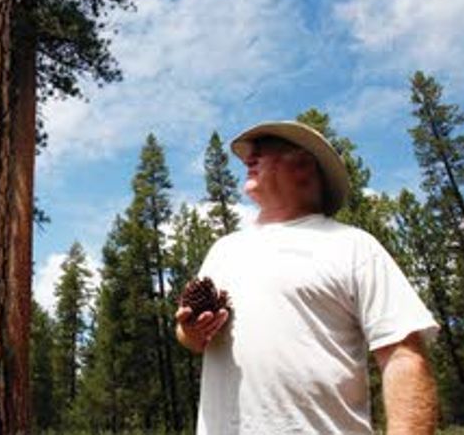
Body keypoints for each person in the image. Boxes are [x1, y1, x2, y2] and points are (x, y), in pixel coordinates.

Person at [176, 121, 439, 434]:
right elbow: (192, 339)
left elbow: (403, 356)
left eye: (262, 151)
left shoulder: (353, 246)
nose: (248, 160)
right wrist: (191, 331)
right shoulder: (223, 249)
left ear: (302, 165)